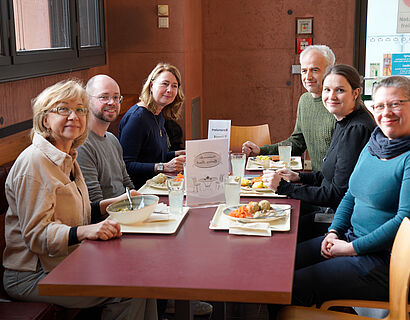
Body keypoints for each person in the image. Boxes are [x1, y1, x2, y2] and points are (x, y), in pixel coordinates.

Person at [3, 80, 157, 320]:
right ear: (45, 119)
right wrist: (86, 232)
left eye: (80, 110)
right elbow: (36, 235)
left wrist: (106, 205)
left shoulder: (68, 156)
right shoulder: (33, 163)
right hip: (33, 275)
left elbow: (73, 214)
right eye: (63, 109)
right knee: (130, 289)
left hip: (67, 260)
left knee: (145, 275)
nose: (73, 116)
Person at [285, 75, 410, 313]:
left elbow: (404, 220)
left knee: (292, 286)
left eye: (396, 104)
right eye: (380, 105)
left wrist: (350, 249)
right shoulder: (376, 142)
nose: (387, 112)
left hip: (383, 261)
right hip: (351, 239)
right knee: (283, 264)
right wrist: (334, 231)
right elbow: (351, 194)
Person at [263, 65, 375, 242]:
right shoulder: (344, 119)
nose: (331, 96)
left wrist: (283, 187)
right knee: (273, 215)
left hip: (342, 222)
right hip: (332, 209)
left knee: (276, 232)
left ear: (356, 93)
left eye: (340, 90)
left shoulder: (356, 129)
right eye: (327, 89)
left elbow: (336, 194)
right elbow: (331, 176)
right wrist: (298, 177)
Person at [242, 45, 336, 171]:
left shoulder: (338, 105)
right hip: (318, 180)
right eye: (304, 70)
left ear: (330, 71)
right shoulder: (305, 101)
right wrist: (261, 150)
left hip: (336, 186)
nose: (307, 77)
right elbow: (297, 143)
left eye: (314, 70)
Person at [118, 62, 186, 189]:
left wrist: (178, 154)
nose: (169, 90)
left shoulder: (157, 114)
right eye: (164, 84)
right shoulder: (137, 118)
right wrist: (163, 167)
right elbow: (126, 165)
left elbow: (153, 156)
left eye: (174, 86)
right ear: (151, 85)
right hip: (140, 191)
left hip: (156, 185)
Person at [77, 74, 135, 202]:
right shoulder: (82, 144)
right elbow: (95, 202)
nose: (112, 102)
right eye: (104, 97)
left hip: (127, 210)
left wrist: (141, 203)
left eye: (116, 97)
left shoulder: (112, 139)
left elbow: (126, 182)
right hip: (107, 218)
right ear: (87, 100)